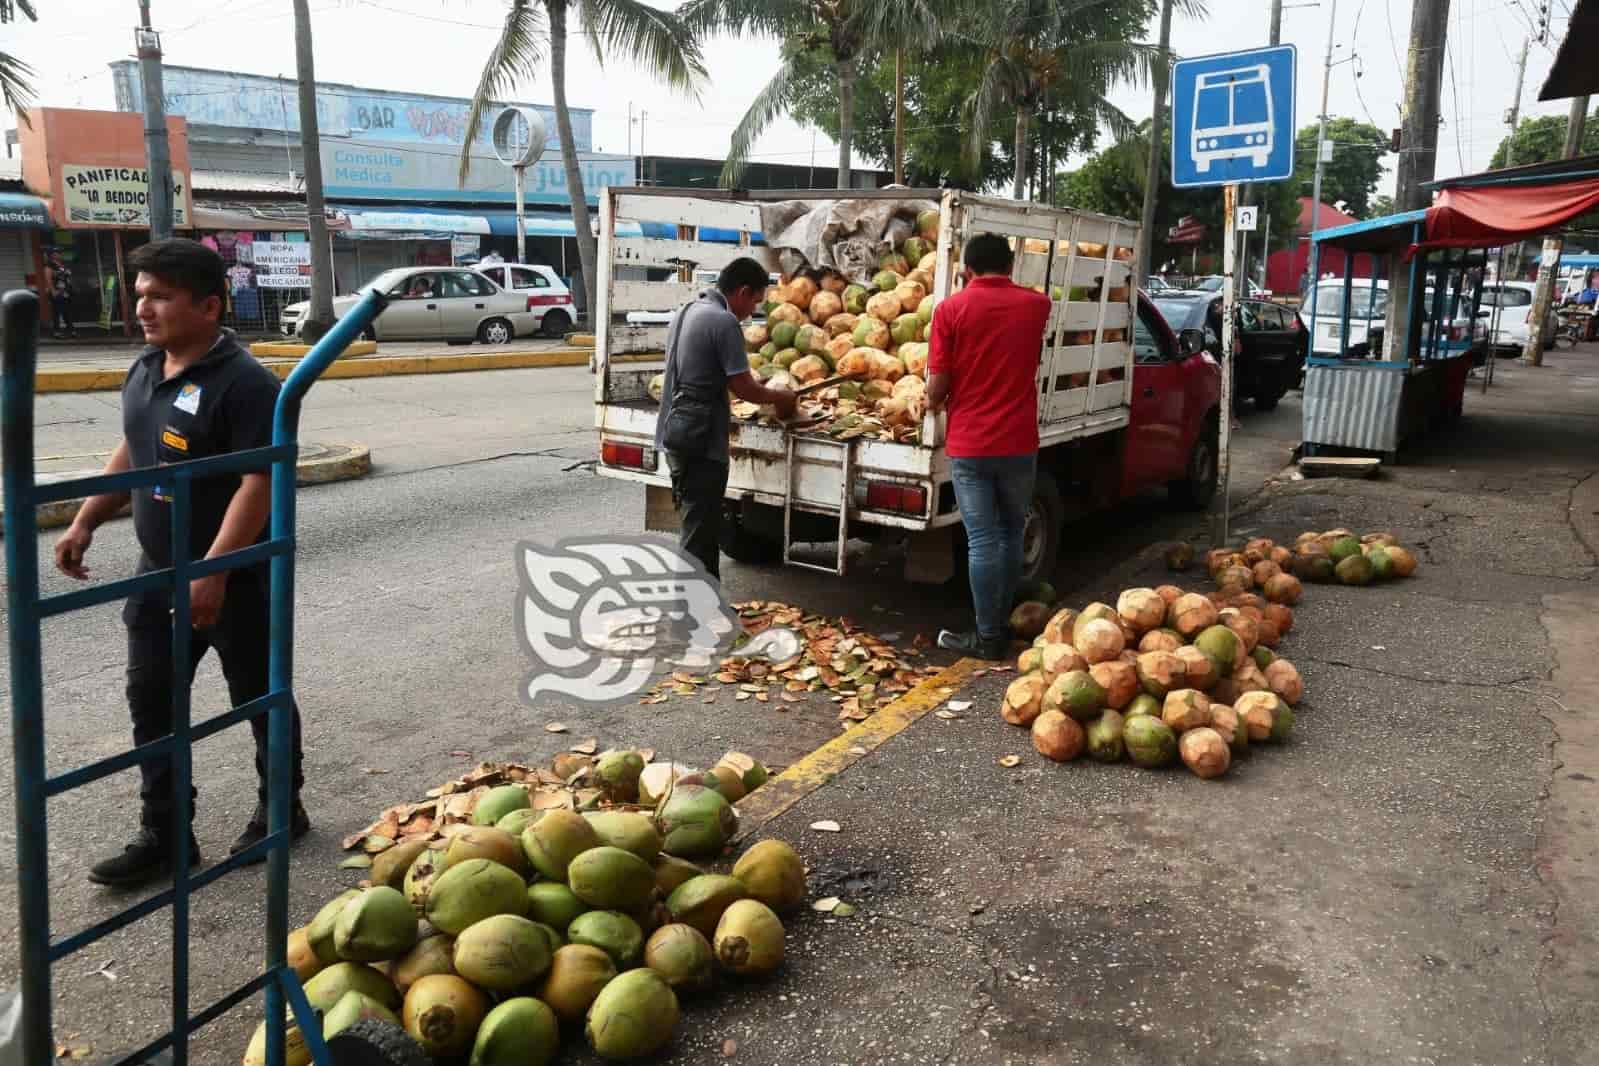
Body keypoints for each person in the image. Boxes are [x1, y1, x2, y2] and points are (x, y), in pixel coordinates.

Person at [54, 239, 310, 888]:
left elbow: (258, 483)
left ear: (208, 305)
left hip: (239, 574)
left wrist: (215, 571)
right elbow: (134, 451)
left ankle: (282, 808)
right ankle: (166, 835)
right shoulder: (145, 369)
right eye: (140, 294)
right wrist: (86, 518)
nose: (144, 307)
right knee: (152, 700)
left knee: (258, 696)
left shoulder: (248, 384)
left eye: (161, 295)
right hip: (157, 568)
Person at [926, 232, 1051, 660]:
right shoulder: (1038, 305)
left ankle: (989, 635)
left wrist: (929, 400)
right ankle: (1005, 620)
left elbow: (938, 385)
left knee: (982, 539)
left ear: (966, 270)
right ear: (1011, 266)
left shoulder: (950, 310)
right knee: (1011, 532)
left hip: (971, 444)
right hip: (1018, 440)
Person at [654, 257, 796, 579]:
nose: (752, 313)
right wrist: (780, 396)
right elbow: (743, 387)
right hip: (701, 439)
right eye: (755, 302)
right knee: (700, 531)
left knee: (697, 526)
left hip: (676, 431)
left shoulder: (686, 312)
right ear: (743, 292)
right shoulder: (723, 321)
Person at [48, 251, 75, 338]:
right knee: (56, 312)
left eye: (59, 253)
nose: (58, 255)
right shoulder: (50, 266)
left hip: (65, 292)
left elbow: (68, 277)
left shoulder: (63, 265)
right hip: (57, 292)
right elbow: (48, 279)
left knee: (67, 312)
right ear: (52, 255)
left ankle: (71, 330)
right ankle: (57, 332)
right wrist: (53, 291)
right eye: (55, 253)